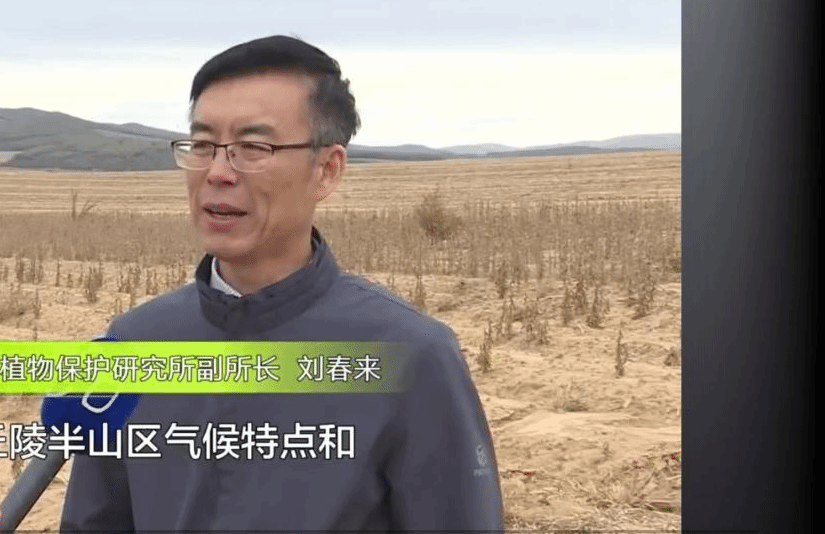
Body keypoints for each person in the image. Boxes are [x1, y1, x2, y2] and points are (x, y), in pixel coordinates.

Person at [54, 35, 505, 532]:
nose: (218, 173)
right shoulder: (133, 344)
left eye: (253, 147)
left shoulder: (411, 356)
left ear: (326, 170)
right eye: (202, 145)